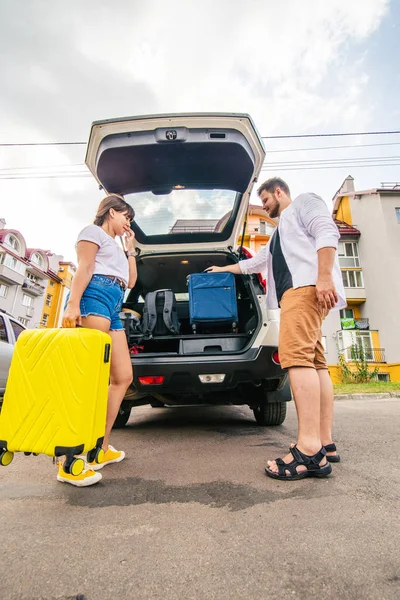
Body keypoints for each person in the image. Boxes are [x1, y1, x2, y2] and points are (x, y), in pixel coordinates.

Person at [206, 177, 346, 481]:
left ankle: (309, 451)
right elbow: (254, 263)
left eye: (266, 200)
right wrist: (222, 269)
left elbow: (327, 231)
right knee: (316, 364)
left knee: (296, 360)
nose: (265, 206)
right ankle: (325, 442)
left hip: (305, 291)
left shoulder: (305, 203)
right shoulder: (279, 234)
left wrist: (323, 278)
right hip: (300, 295)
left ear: (279, 192)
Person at [60, 194, 137, 486]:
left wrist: (130, 250)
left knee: (122, 377)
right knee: (87, 381)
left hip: (114, 303)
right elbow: (85, 268)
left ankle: (98, 448)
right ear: (112, 212)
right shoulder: (92, 232)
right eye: (126, 217)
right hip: (93, 296)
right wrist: (73, 304)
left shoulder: (118, 246)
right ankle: (69, 461)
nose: (128, 223)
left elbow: (130, 282)